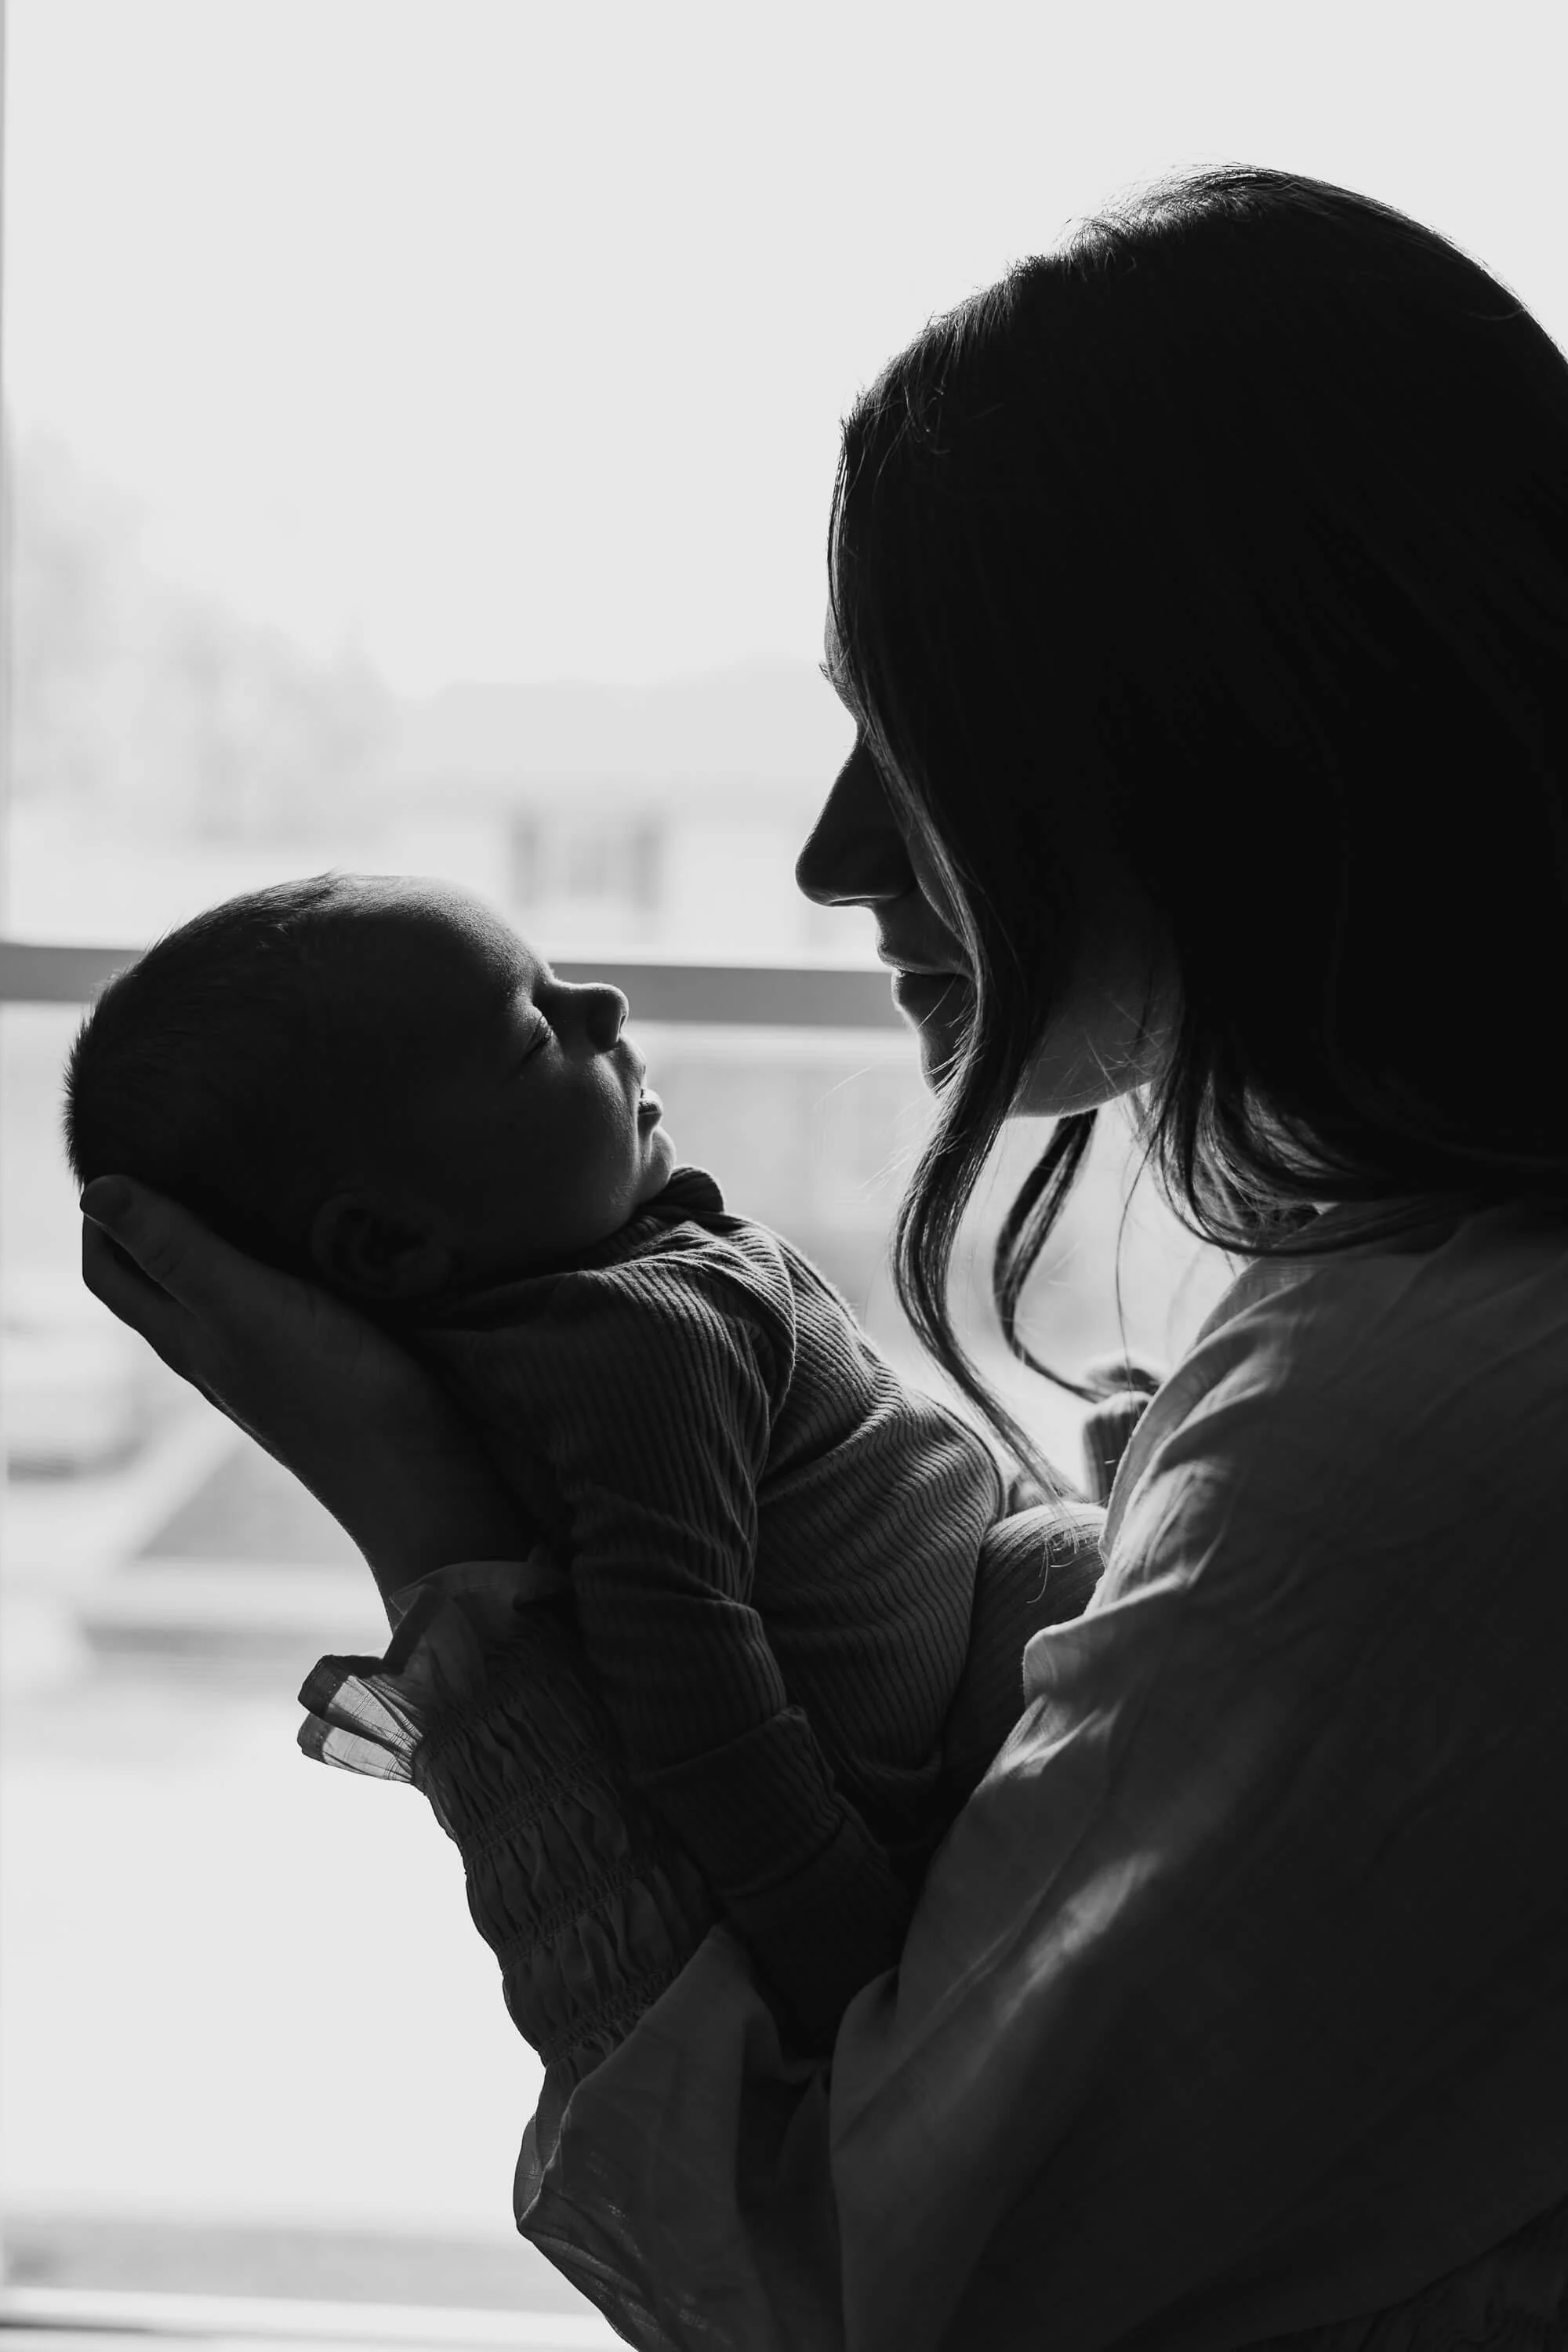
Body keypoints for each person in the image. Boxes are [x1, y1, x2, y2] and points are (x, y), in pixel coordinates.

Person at [77, 160, 1568, 2348]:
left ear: (1215, 743)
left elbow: (841, 2285)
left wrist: (446, 1557)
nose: (825, 847)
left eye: (921, 736)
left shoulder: (1402, 1434)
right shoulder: (1424, 1317)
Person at [60, 872, 1117, 2054]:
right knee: (1080, 1555)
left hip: (946, 1697)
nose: (606, 1008)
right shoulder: (636, 1344)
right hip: (923, 1793)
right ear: (390, 1241)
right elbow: (695, 1687)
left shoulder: (594, 1311)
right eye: (533, 1036)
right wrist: (844, 1948)